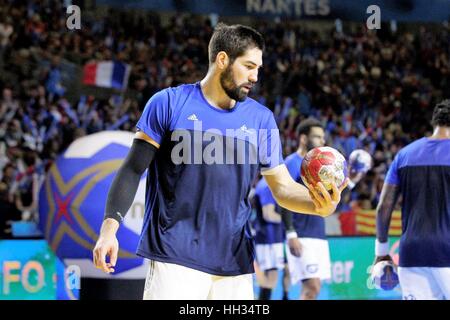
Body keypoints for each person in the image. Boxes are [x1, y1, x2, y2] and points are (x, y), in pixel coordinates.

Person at [93, 23, 347, 300]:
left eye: (258, 69)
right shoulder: (168, 103)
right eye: (249, 66)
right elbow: (132, 169)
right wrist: (109, 230)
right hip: (175, 255)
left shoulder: (261, 120)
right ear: (222, 59)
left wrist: (319, 205)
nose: (255, 77)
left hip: (234, 262)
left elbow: (283, 188)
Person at [374, 99, 450, 300]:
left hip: (412, 254)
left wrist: (382, 251)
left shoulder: (404, 155)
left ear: (435, 123)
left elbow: (384, 207)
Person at [281, 118, 332, 300]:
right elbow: (284, 199)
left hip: (318, 233)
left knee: (314, 290)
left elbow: (329, 198)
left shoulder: (320, 167)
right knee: (312, 287)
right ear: (303, 139)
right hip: (301, 234)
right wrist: (290, 233)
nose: (322, 141)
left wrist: (352, 181)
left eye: (322, 137)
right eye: (317, 137)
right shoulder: (291, 163)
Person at [252, 177, 289, 300]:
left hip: (272, 237)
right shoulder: (266, 186)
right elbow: (268, 214)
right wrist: (288, 222)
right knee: (270, 279)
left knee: (272, 277)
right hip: (268, 237)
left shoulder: (267, 184)